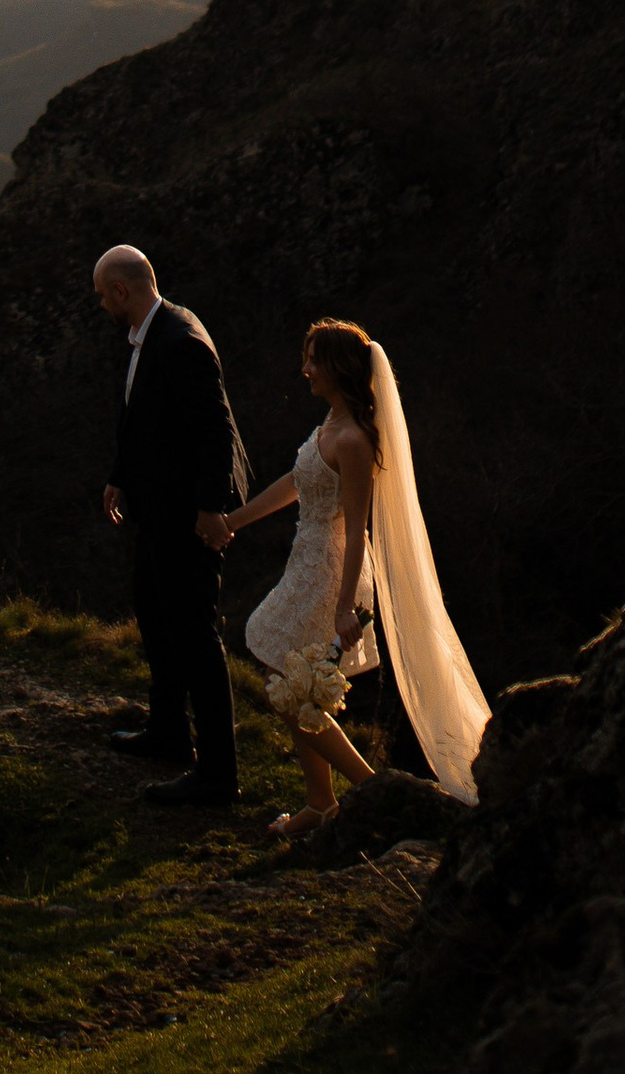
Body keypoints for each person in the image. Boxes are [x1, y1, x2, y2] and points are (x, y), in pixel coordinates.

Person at [211, 316, 490, 843]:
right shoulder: (329, 427)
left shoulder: (356, 440)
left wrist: (345, 607)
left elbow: (358, 525)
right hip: (306, 562)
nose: (305, 369)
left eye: (314, 359)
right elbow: (296, 483)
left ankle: (364, 792)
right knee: (291, 681)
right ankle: (323, 802)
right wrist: (234, 521)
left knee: (292, 682)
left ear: (339, 368)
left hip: (333, 571)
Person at [94, 243, 251, 808]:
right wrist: (120, 477)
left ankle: (217, 774)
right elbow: (142, 419)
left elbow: (215, 429)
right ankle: (167, 733)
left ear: (121, 291)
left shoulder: (179, 341)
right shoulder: (149, 334)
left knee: (195, 633)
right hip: (157, 506)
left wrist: (211, 510)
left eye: (102, 296)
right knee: (155, 613)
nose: (101, 308)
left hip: (187, 514)